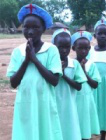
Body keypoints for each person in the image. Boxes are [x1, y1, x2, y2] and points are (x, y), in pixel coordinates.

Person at [6, 4, 63, 140]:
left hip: (44, 103)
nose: (30, 32)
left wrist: (35, 60)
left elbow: (54, 81)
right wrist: (26, 60)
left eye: (35, 27)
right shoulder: (18, 52)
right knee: (26, 134)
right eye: (26, 27)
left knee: (45, 133)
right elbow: (13, 83)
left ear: (43, 28)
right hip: (25, 102)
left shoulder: (51, 50)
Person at [52, 28, 87, 140]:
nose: (64, 50)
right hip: (53, 103)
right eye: (60, 47)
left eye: (67, 47)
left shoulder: (74, 64)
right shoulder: (50, 63)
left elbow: (79, 86)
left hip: (69, 105)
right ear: (54, 46)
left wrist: (64, 76)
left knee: (69, 130)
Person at [71, 31, 101, 140]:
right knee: (74, 124)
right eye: (80, 48)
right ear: (74, 48)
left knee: (85, 124)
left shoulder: (91, 65)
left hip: (86, 99)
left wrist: (84, 73)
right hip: (73, 99)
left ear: (89, 49)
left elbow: (95, 84)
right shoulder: (70, 64)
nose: (84, 51)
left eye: (86, 48)